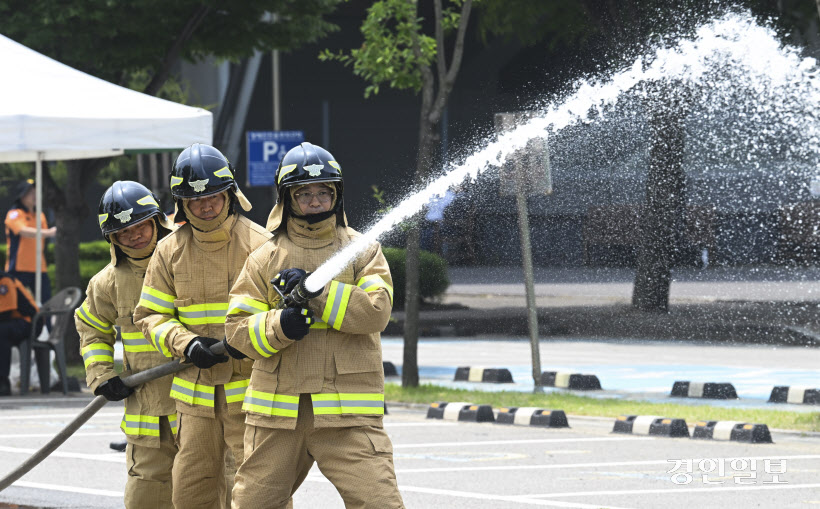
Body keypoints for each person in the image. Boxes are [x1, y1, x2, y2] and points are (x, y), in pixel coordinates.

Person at [225, 142, 404, 508]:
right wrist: (281, 326)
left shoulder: (363, 250)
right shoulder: (265, 257)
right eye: (303, 193)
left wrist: (317, 292)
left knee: (379, 504)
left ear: (337, 195)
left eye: (324, 191)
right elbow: (237, 331)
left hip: (346, 416)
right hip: (277, 415)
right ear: (286, 199)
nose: (315, 200)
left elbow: (376, 311)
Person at [133, 144, 271, 509]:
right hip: (194, 398)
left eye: (212, 196)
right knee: (191, 490)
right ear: (181, 204)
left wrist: (253, 338)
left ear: (229, 193)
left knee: (259, 491)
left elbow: (280, 317)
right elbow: (150, 316)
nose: (205, 206)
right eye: (195, 201)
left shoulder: (261, 245)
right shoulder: (168, 251)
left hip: (253, 391)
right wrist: (186, 343)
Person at [75, 181, 177, 508]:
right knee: (145, 496)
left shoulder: (188, 261)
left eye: (140, 226)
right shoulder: (107, 282)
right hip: (147, 411)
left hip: (199, 403)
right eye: (123, 232)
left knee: (213, 490)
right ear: (112, 238)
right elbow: (91, 328)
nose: (133, 236)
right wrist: (103, 376)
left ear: (156, 221)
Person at [4, 179, 55, 304]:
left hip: (39, 267)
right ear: (22, 195)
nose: (35, 196)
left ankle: (47, 324)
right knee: (15, 302)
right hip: (18, 268)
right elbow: (22, 230)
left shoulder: (40, 215)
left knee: (46, 303)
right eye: (31, 192)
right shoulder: (14, 213)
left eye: (36, 192)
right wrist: (49, 233)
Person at [0, 271, 39, 396]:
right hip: (12, 322)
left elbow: (6, 314)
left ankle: (3, 382)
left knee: (2, 331)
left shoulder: (4, 281)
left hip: (29, 322)